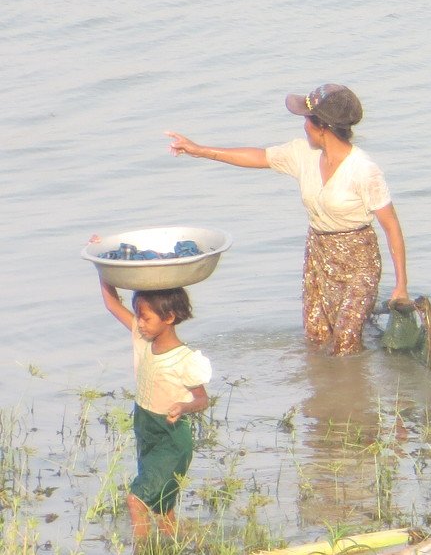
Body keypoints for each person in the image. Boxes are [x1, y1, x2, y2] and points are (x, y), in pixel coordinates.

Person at [165, 83, 409, 355]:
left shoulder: (363, 170)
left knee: (346, 340)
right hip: (319, 255)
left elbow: (392, 227)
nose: (303, 126)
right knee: (317, 337)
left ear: (323, 127)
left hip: (359, 260)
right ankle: (323, 380)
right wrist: (199, 150)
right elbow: (259, 157)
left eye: (307, 120)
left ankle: (355, 380)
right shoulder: (303, 154)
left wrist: (401, 286)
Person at [95, 268, 211, 542]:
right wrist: (101, 266)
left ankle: (143, 549)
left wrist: (183, 407)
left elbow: (202, 399)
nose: (140, 323)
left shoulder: (184, 359)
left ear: (169, 317)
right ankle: (181, 543)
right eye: (138, 316)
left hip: (171, 439)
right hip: (146, 429)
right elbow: (111, 303)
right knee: (162, 507)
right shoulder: (143, 339)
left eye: (146, 317)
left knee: (136, 500)